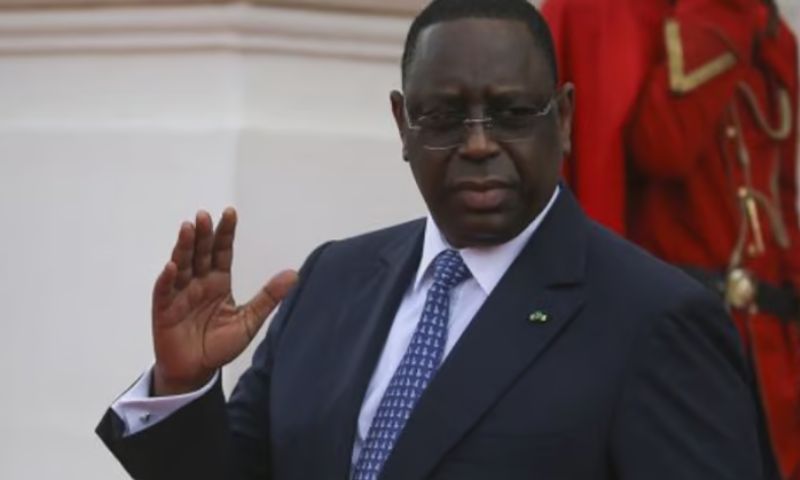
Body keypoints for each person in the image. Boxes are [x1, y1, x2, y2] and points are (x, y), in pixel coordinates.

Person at [97, 1, 764, 478]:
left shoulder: (655, 320)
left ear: (562, 119)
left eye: (511, 113)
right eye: (444, 117)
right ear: (402, 124)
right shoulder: (330, 281)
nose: (478, 144)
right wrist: (183, 384)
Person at [543, 0, 800, 477]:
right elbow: (664, 145)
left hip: (770, 361)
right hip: (677, 351)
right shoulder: (610, 13)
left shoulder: (765, 26)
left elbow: (780, 198)